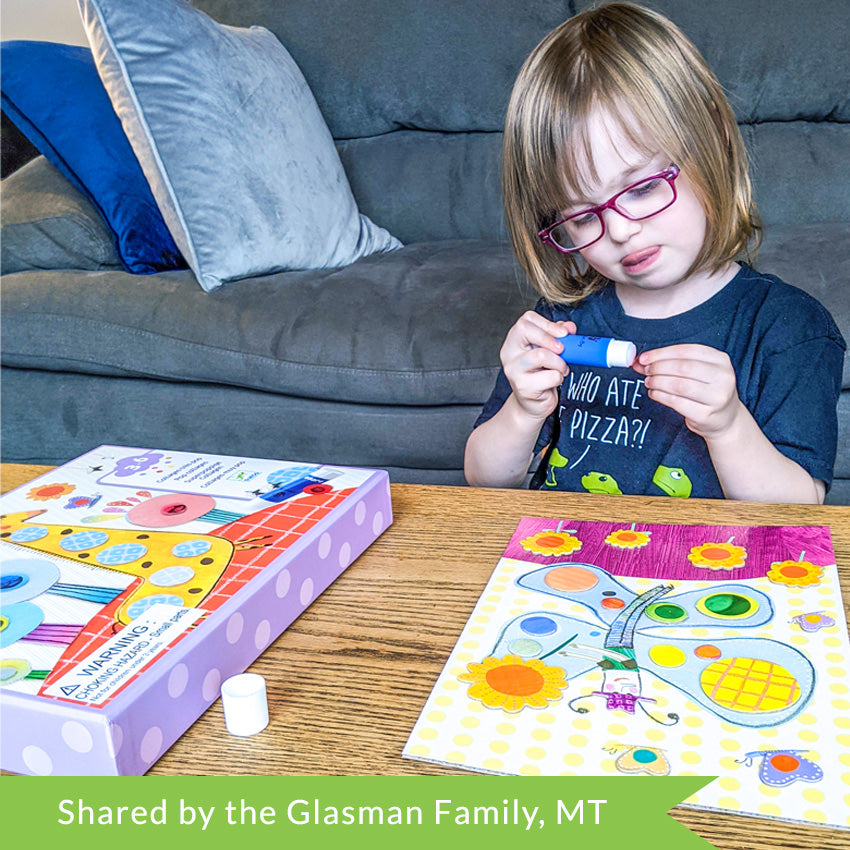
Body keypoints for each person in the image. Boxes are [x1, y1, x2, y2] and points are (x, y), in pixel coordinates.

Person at [465, 2, 845, 503]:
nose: (620, 230)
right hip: (566, 563)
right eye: (582, 216)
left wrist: (729, 427)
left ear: (709, 141)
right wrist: (523, 409)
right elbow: (483, 480)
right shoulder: (565, 322)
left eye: (642, 188)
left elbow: (800, 510)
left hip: (710, 572)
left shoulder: (790, 328)